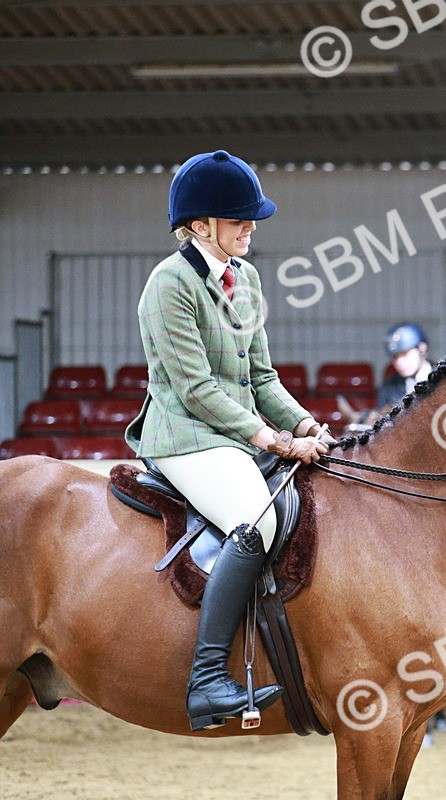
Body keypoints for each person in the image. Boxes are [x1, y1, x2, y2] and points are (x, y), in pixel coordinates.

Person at [125, 149, 331, 732]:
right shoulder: (168, 285)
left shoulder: (248, 279)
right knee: (256, 520)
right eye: (238, 219)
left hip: (234, 433)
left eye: (251, 218)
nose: (251, 226)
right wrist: (273, 440)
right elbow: (194, 389)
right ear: (198, 226)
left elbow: (261, 378)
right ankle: (208, 678)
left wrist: (304, 425)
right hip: (185, 435)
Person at [378, 322, 433, 410]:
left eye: (405, 354)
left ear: (422, 348)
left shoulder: (442, 378)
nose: (399, 362)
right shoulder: (390, 386)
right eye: (395, 356)